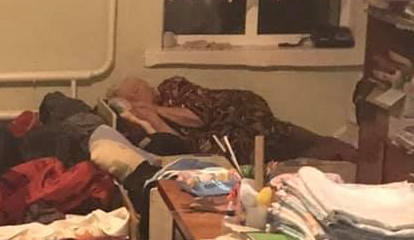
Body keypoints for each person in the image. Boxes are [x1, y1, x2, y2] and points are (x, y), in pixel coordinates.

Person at [109, 76, 356, 163]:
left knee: (319, 146)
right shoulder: (148, 120)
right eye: (134, 95)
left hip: (249, 118)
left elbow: (198, 117)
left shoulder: (172, 87)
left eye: (137, 91)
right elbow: (179, 146)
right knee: (299, 160)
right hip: (239, 148)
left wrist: (155, 109)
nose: (143, 88)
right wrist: (153, 120)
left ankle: (365, 162)